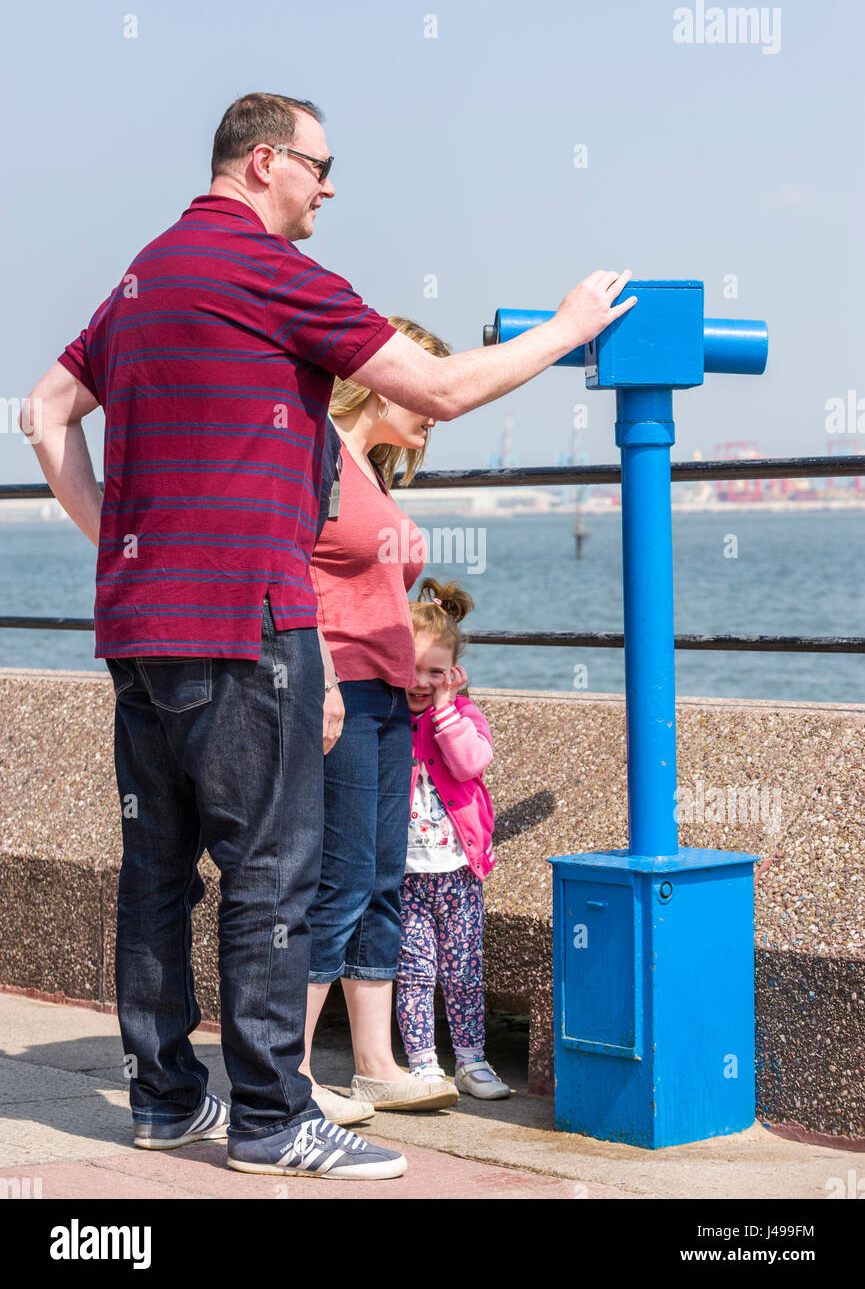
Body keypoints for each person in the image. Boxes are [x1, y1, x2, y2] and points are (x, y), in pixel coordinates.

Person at [20, 90, 636, 1179]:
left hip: (140, 627)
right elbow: (437, 389)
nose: (330, 185)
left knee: (157, 871)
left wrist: (122, 546)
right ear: (264, 163)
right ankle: (270, 1118)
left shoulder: (143, 271)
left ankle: (166, 1101)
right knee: (271, 874)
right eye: (321, 164)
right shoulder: (270, 271)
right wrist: (569, 327)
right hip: (245, 626)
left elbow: (43, 413)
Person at [302, 318, 460, 1123]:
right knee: (335, 879)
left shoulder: (370, 467)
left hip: (389, 696)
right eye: (420, 381)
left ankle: (373, 1065)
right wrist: (324, 677)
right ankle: (287, 1074)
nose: (434, 403)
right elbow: (283, 566)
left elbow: (377, 593)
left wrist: (424, 668)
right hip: (338, 695)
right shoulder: (317, 446)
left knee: (380, 882)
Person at [394, 578, 509, 1100]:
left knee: (463, 969)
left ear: (454, 674)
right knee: (414, 971)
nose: (422, 681)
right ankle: (421, 1063)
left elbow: (468, 764)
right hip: (404, 873)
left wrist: (444, 708)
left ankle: (471, 1060)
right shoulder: (386, 718)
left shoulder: (464, 717)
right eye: (411, 669)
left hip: (459, 871)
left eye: (435, 672)